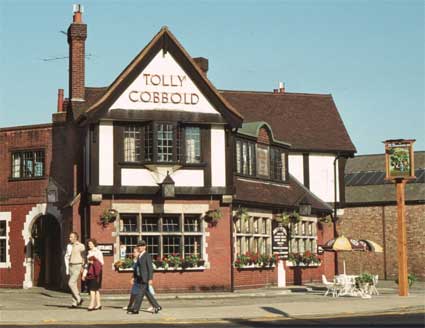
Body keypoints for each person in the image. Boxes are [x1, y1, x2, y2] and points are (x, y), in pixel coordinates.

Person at [127, 240, 161, 315]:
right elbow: (137, 268)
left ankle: (135, 309)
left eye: (142, 246)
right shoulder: (140, 256)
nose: (140, 247)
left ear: (145, 247)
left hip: (145, 278)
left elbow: (150, 268)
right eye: (139, 246)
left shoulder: (147, 255)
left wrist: (150, 279)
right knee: (147, 293)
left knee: (140, 293)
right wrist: (134, 277)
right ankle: (157, 306)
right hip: (140, 278)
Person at [123, 248, 155, 313]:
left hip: (143, 280)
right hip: (137, 280)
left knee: (149, 293)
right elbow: (135, 271)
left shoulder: (143, 258)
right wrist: (132, 278)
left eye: (135, 252)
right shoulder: (136, 260)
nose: (133, 253)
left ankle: (153, 306)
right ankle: (130, 306)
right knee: (133, 293)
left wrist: (150, 279)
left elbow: (150, 268)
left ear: (139, 252)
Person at [64, 232, 86, 308]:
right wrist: (67, 267)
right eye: (69, 237)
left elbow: (84, 256)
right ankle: (74, 303)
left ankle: (79, 298)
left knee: (70, 283)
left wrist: (83, 266)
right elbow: (67, 256)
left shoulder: (81, 246)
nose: (69, 238)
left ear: (76, 238)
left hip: (78, 265)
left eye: (71, 237)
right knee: (74, 285)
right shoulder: (69, 246)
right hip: (71, 266)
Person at [82, 239, 104, 311]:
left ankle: (91, 304)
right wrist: (84, 274)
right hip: (90, 272)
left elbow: (102, 263)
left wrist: (94, 261)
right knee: (96, 289)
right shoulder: (88, 252)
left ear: (94, 244)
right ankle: (98, 304)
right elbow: (86, 265)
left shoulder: (98, 252)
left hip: (96, 273)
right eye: (88, 244)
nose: (89, 245)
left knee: (92, 289)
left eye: (91, 244)